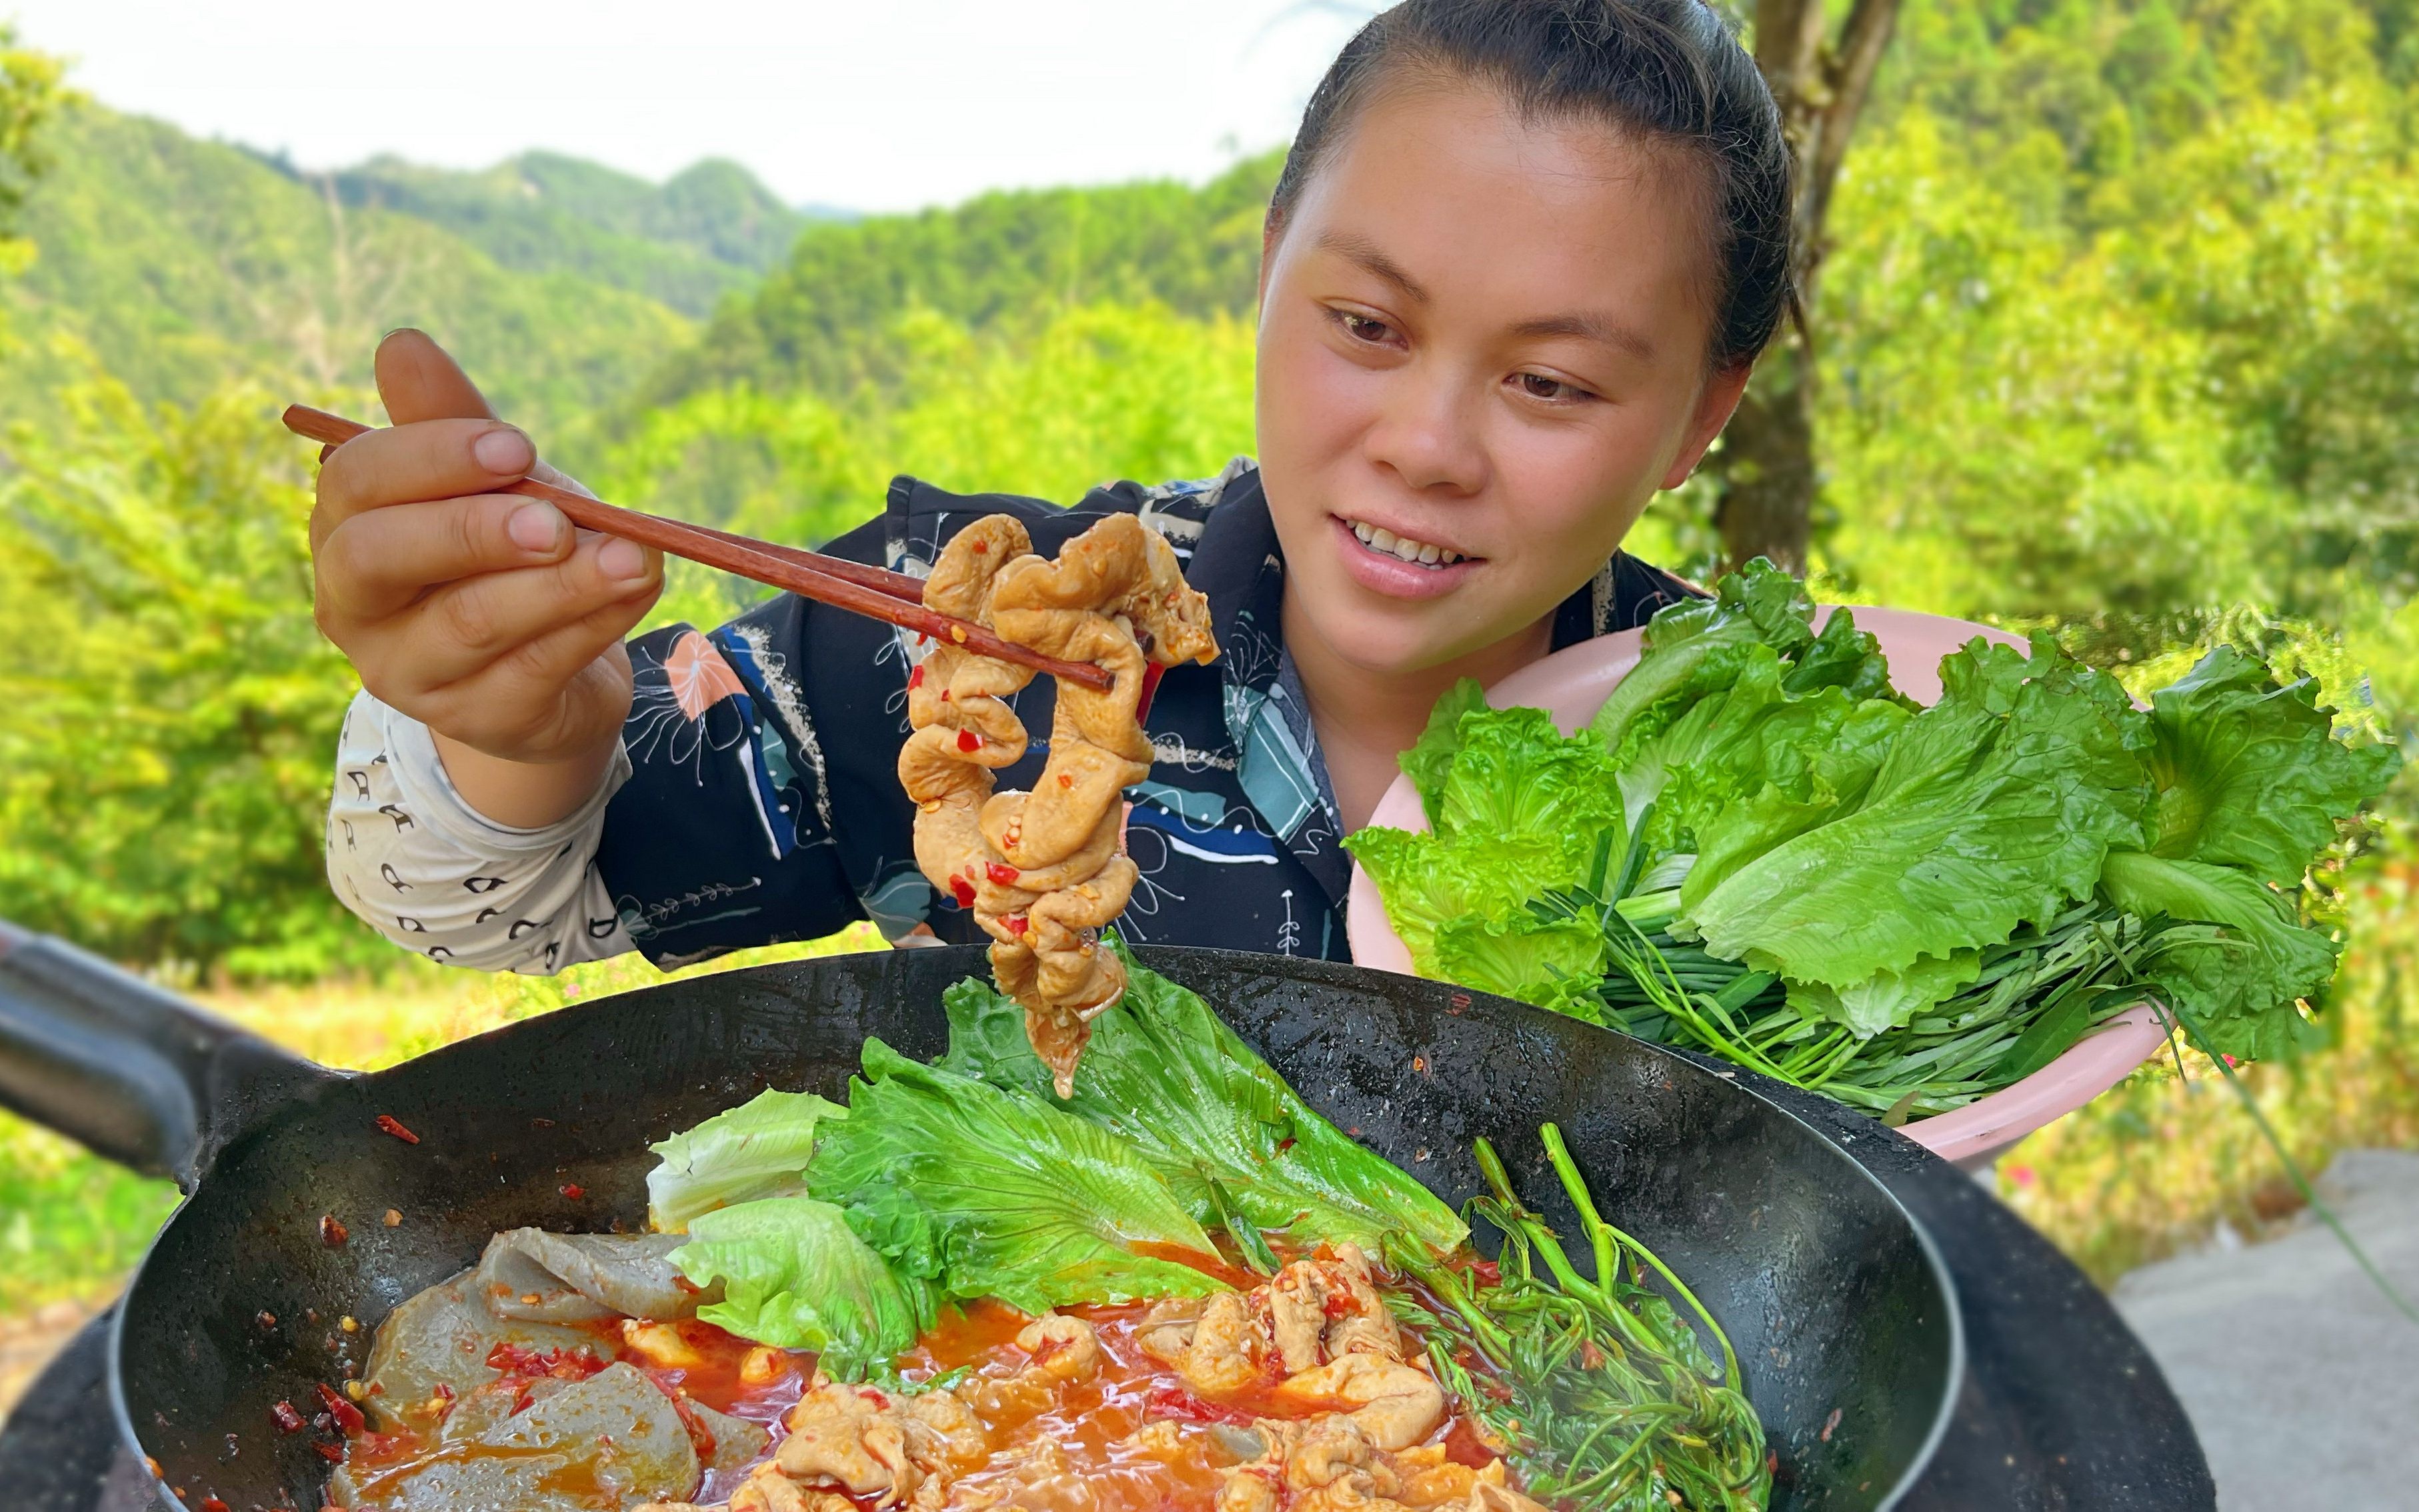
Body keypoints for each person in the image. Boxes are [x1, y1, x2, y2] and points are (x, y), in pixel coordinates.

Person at [315, 0, 1794, 974]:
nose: (1424, 442)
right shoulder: (955, 633)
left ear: (1692, 422)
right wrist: (514, 730)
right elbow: (471, 912)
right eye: (1364, 325)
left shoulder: (1770, 771)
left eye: (1548, 383)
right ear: (1271, 263)